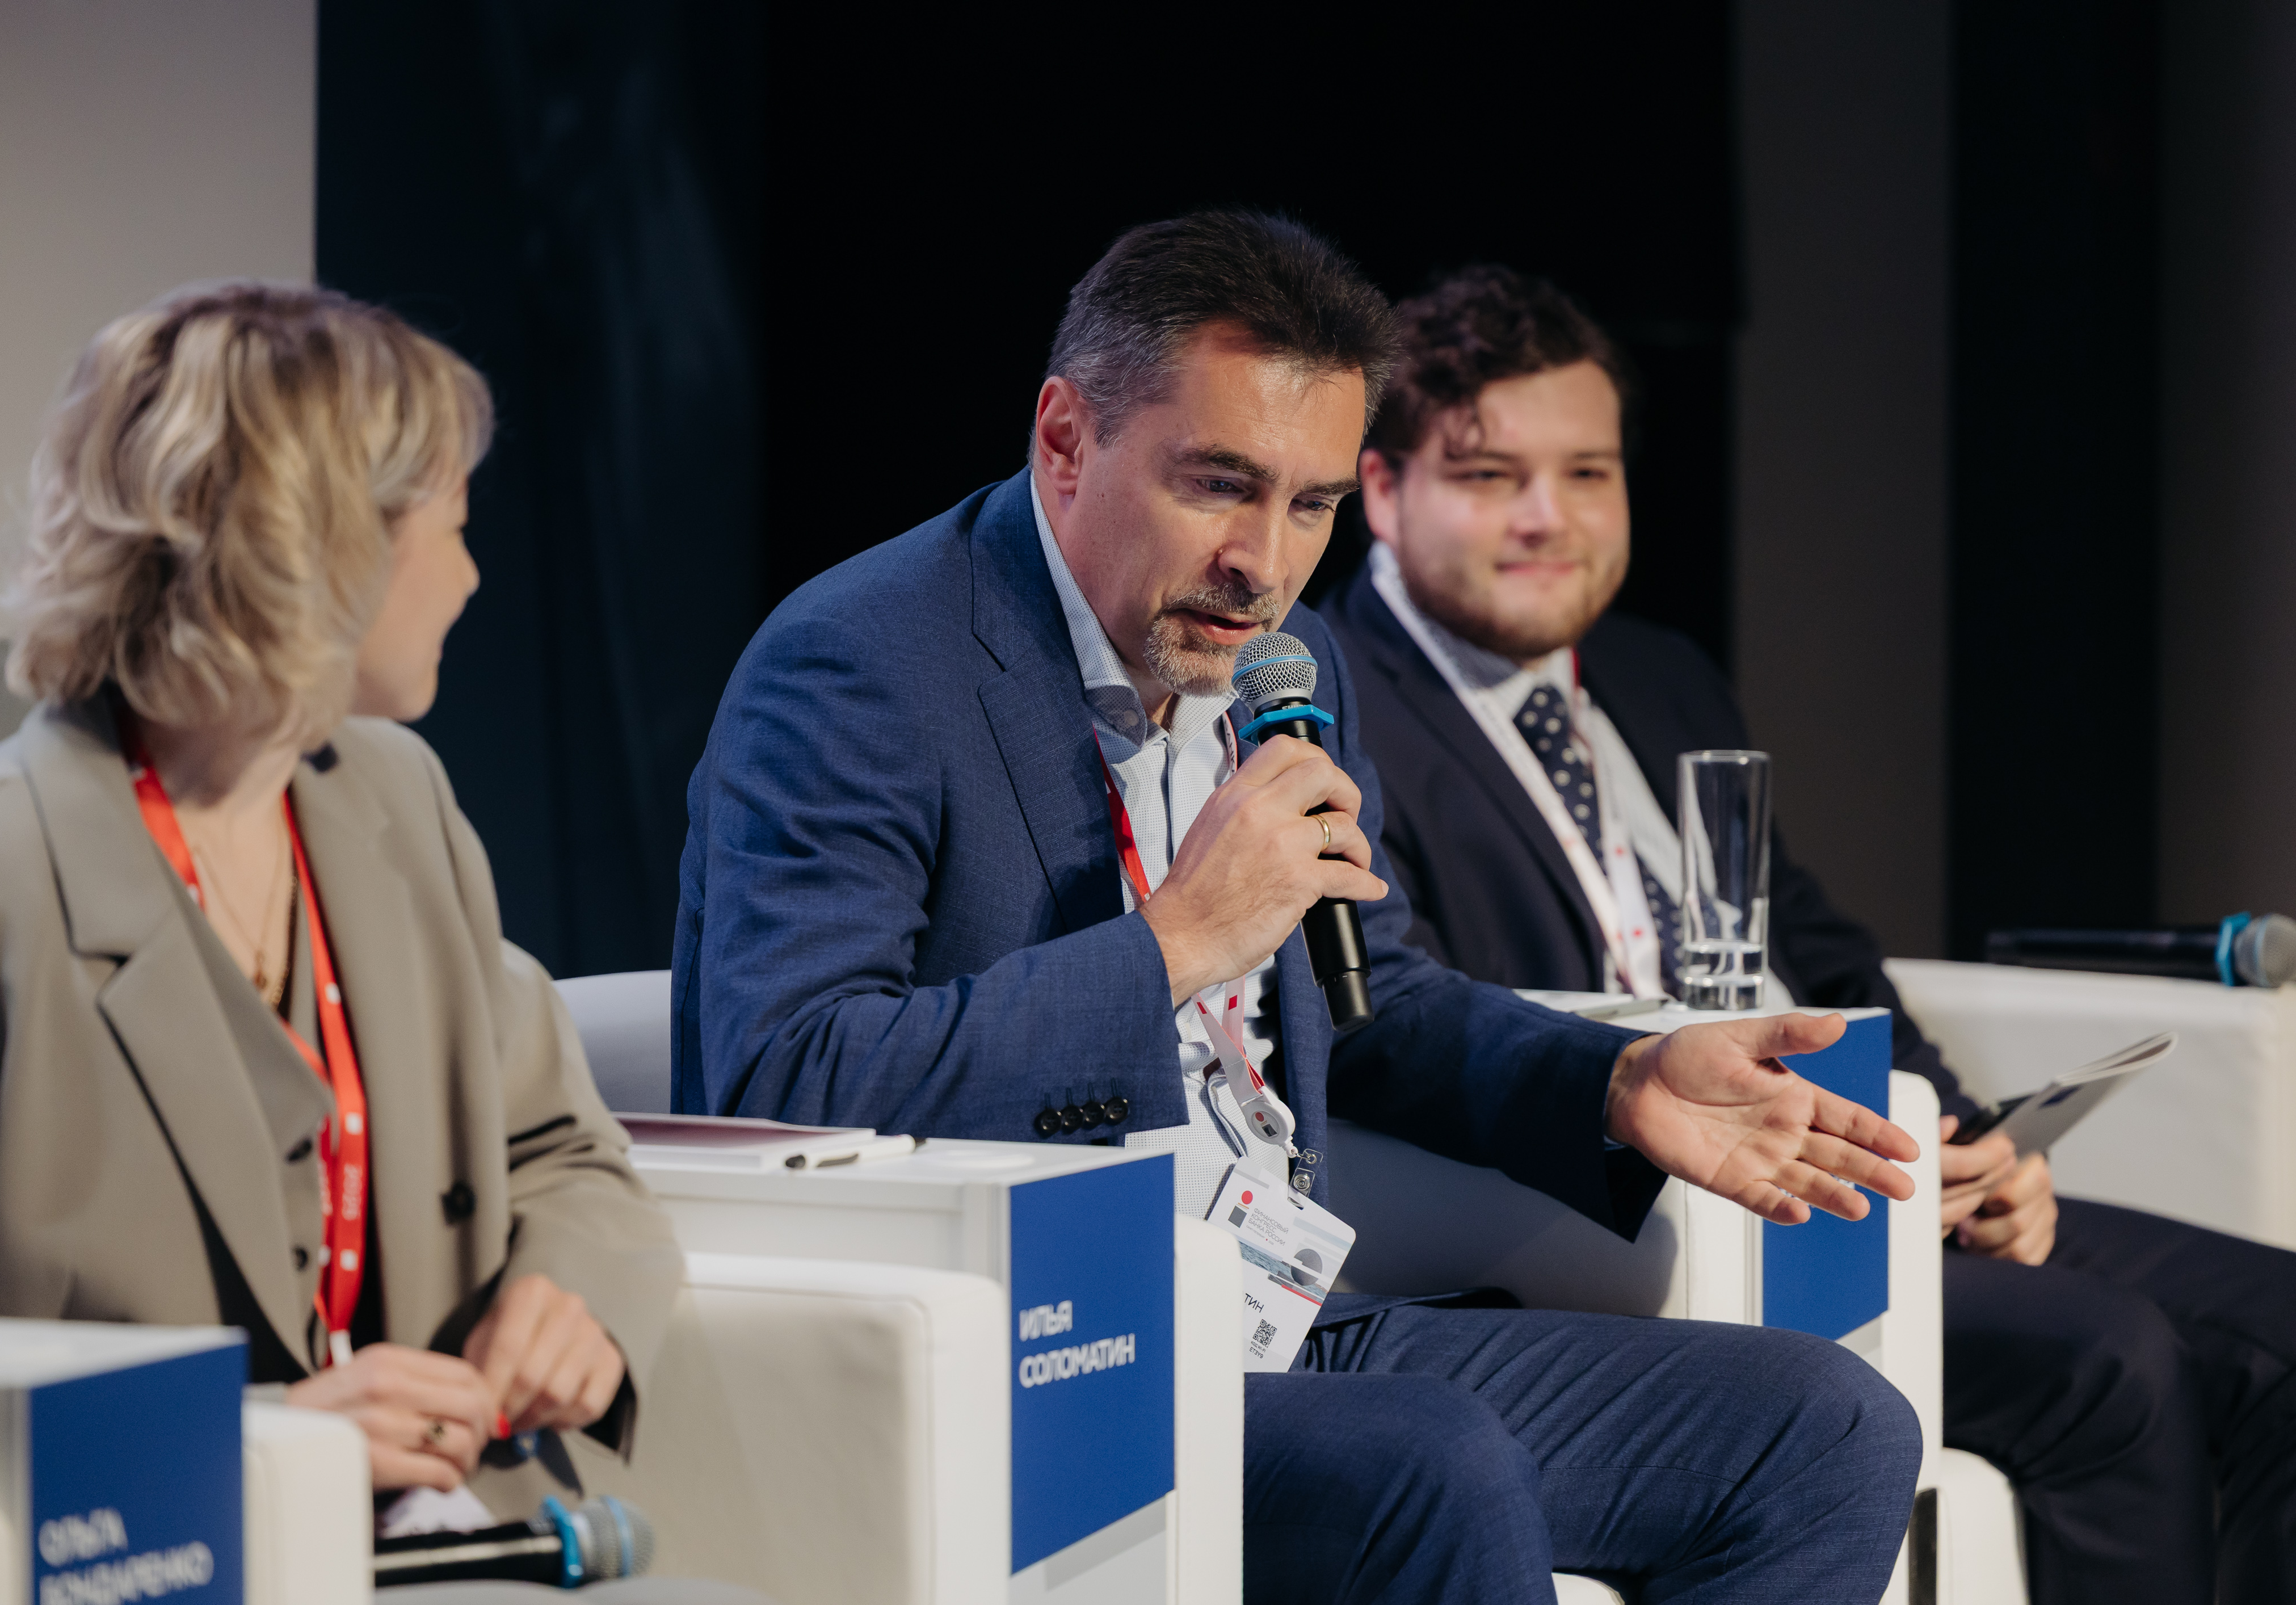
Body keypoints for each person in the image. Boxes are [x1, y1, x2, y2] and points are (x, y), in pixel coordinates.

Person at [676, 211, 1925, 1602]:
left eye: (1314, 505)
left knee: (1828, 1433)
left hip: (1283, 1317)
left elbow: (1371, 998)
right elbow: (780, 1076)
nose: (1265, 564)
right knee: (1437, 1463)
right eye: (1221, 484)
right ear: (1067, 438)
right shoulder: (862, 664)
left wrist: (1616, 1079)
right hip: (1059, 1349)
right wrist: (1173, 947)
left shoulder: (1289, 663)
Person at [1315, 263, 2296, 1604]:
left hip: (1865, 1166)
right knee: (2110, 1358)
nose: (1549, 516)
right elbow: (1400, 1025)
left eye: (1589, 473)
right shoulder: (1339, 707)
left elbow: (1822, 951)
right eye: (1491, 476)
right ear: (1382, 489)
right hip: (1654, 1217)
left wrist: (1968, 1145)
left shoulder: (1659, 673)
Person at [0, 284, 687, 1522]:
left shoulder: (398, 800)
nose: (472, 578)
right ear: (321, 547)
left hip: (444, 1544)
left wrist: (571, 1293)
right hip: (142, 1560)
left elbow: (566, 1152)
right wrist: (257, 1446)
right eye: (451, 529)